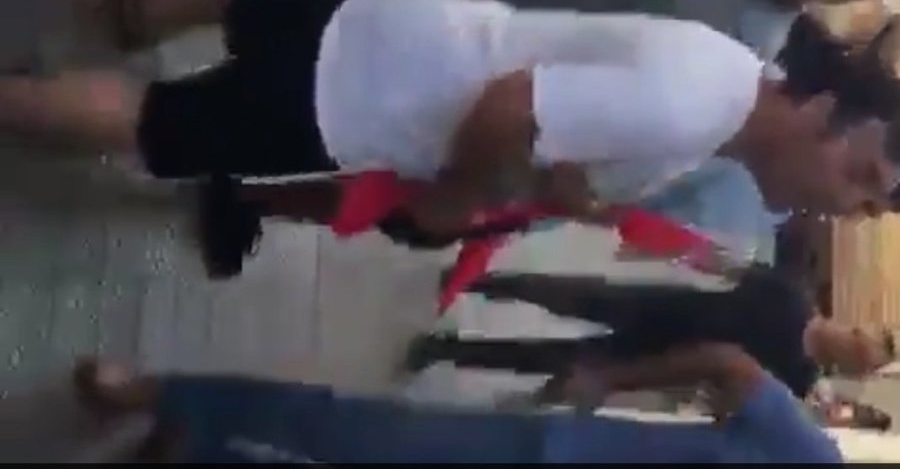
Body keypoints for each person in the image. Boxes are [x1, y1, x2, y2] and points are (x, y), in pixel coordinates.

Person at [0, 0, 893, 246]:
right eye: (859, 177)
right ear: (822, 108)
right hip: (370, 93)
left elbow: (573, 119)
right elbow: (514, 108)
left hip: (405, 33)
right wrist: (455, 200)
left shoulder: (729, 82)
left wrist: (570, 191)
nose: (841, 204)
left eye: (865, 205)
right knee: (153, 120)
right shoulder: (699, 103)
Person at [69, 345, 844, 462]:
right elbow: (730, 364)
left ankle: (196, 446)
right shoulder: (809, 457)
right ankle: (163, 395)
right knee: (352, 431)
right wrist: (610, 379)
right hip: (539, 456)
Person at [406, 264, 895, 405]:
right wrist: (665, 249)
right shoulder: (792, 296)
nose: (850, 362)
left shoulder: (796, 379)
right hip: (663, 305)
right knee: (561, 293)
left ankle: (446, 350)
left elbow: (729, 394)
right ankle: (477, 281)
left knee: (549, 359)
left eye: (857, 367)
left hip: (655, 363)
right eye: (859, 352)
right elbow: (727, 267)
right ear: (854, 333)